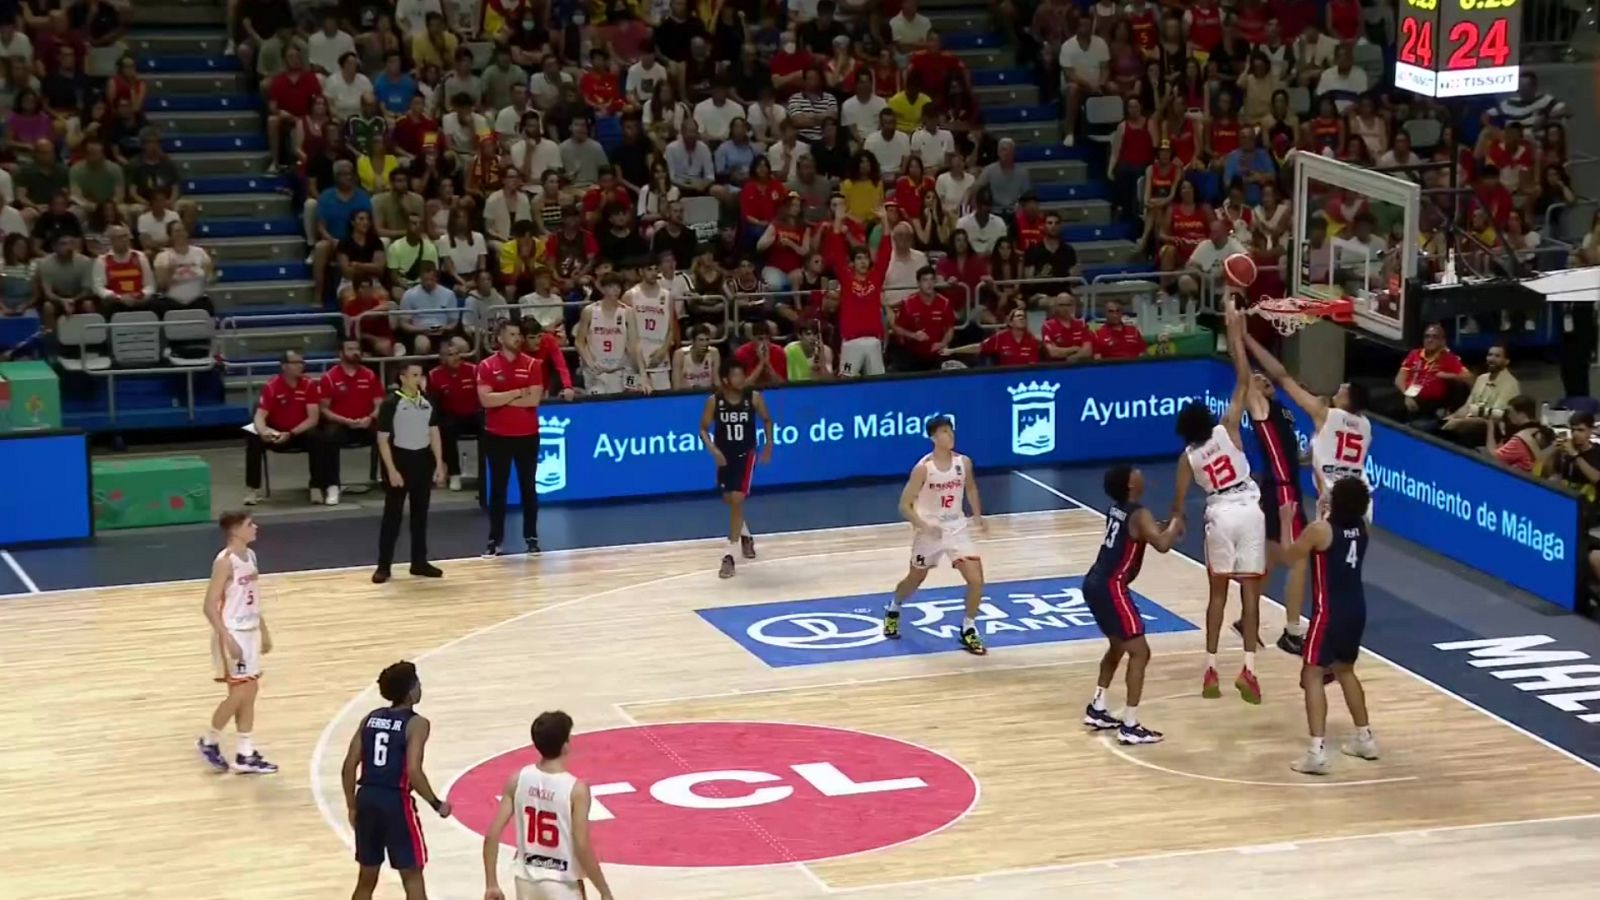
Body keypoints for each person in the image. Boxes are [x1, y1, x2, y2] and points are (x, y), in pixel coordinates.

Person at [1172, 301, 1265, 703]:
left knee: (1216, 595)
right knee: (1251, 592)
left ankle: (1210, 670)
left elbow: (1178, 504)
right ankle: (1249, 669)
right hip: (1249, 507)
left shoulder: (1187, 458)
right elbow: (1244, 380)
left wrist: (1177, 522)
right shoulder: (1227, 427)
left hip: (1220, 513)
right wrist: (1236, 335)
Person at [1281, 478, 1379, 775]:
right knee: (1345, 669)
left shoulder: (1319, 531)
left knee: (1311, 673)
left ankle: (1316, 752)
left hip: (1329, 613)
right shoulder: (1363, 526)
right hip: (1356, 609)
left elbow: (1289, 555)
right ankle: (1365, 738)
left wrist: (1287, 521)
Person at [1082, 463, 1184, 745]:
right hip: (1111, 587)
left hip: (1093, 582)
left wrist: (1165, 527)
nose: (1140, 473)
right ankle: (1130, 725)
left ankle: (1098, 708)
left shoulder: (1118, 509)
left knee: (1118, 646)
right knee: (1140, 652)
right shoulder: (1139, 514)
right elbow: (1162, 545)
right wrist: (1175, 523)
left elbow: (1144, 534)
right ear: (1130, 484)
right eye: (1135, 472)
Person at [341, 661, 452, 900]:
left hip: (367, 799)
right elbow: (413, 770)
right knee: (412, 877)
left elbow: (349, 766)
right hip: (395, 802)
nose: (421, 686)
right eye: (418, 682)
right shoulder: (417, 724)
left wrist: (351, 805)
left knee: (366, 878)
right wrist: (436, 803)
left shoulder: (370, 719)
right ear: (411, 690)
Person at [481, 711, 616, 900]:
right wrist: (604, 890)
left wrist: (491, 884)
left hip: (525, 881)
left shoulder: (517, 779)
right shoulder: (576, 789)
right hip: (562, 884)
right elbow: (582, 844)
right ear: (565, 745)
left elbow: (491, 835)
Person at [883, 416, 988, 656]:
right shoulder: (923, 468)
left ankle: (968, 627)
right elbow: (904, 505)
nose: (949, 436)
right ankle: (894, 607)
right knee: (915, 578)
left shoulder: (964, 462)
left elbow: (970, 487)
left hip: (956, 527)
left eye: (951, 431)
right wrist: (923, 524)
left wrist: (978, 516)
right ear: (933, 437)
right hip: (929, 532)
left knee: (976, 580)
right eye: (943, 432)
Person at [1244, 332, 1373, 519]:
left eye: (1346, 387)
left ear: (1347, 400)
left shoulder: (1324, 414)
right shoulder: (1366, 426)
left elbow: (1282, 376)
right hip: (1362, 498)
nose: (1342, 385)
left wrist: (1247, 338)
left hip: (1335, 500)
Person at [197, 510, 277, 775]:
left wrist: (263, 631)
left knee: (249, 692)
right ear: (234, 530)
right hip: (233, 633)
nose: (255, 527)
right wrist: (226, 638)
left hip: (250, 630)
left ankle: (245, 754)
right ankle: (209, 740)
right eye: (249, 524)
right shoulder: (225, 561)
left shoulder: (251, 556)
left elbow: (252, 598)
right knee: (243, 691)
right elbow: (209, 606)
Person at [699, 360, 774, 579]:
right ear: (725, 380)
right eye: (736, 376)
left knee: (737, 499)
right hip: (725, 456)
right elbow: (702, 429)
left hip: (746, 455)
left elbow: (768, 420)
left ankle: (729, 556)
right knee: (730, 501)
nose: (741, 380)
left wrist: (769, 444)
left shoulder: (754, 398)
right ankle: (746, 535)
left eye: (742, 375)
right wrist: (713, 450)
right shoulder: (714, 401)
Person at [374, 362, 447, 584]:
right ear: (403, 378)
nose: (419, 379)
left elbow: (434, 433)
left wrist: (438, 463)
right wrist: (391, 470)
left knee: (420, 515)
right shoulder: (391, 403)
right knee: (392, 516)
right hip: (400, 461)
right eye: (414, 375)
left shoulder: (427, 402)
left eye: (420, 375)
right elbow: (382, 440)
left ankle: (419, 562)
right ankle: (383, 566)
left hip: (422, 461)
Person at [477, 320, 544, 557]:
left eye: (519, 334)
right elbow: (486, 401)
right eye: (512, 334)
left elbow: (533, 400)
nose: (518, 338)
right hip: (497, 436)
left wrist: (501, 399)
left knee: (529, 488)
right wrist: (517, 393)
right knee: (498, 489)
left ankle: (531, 537)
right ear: (500, 338)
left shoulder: (533, 364)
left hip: (527, 435)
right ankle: (495, 539)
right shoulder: (486, 366)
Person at [244, 350, 329, 506]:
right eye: (296, 363)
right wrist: (264, 432)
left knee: (318, 436)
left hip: (298, 433)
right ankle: (252, 489)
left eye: (302, 362)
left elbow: (313, 418)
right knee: (252, 435)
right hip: (276, 432)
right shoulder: (272, 386)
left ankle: (316, 487)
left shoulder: (309, 385)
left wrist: (291, 433)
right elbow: (260, 415)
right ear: (284, 366)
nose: (300, 366)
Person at [575, 272, 651, 395]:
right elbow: (579, 342)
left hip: (622, 370)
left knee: (628, 400)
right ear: (603, 289)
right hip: (597, 372)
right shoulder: (589, 311)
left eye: (618, 287)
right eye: (611, 287)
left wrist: (643, 375)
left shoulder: (627, 312)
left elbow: (635, 345)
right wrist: (589, 362)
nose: (615, 291)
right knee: (599, 404)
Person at [623, 261, 677, 391]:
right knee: (634, 401)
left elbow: (671, 328)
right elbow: (624, 330)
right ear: (641, 272)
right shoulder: (630, 295)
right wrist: (635, 358)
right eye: (649, 269)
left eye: (655, 269)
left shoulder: (667, 296)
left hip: (659, 357)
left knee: (662, 402)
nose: (653, 273)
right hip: (635, 359)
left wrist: (663, 351)